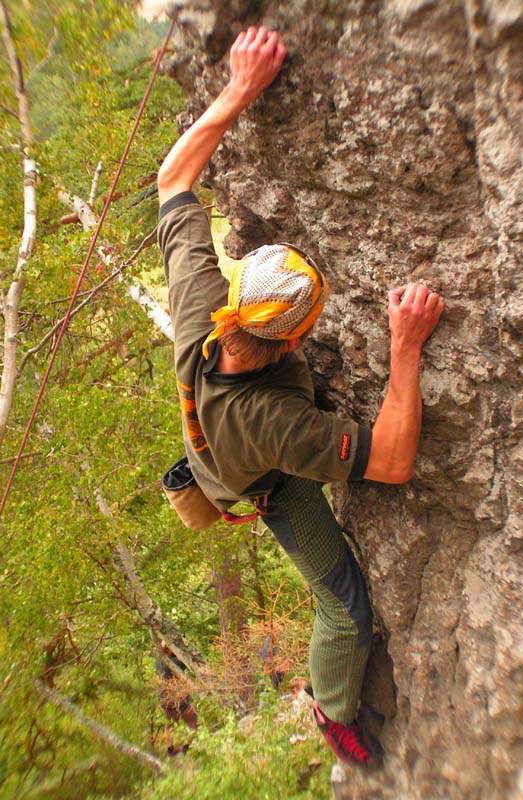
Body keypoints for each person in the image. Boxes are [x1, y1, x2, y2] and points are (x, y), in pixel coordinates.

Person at [156, 25, 444, 767]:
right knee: (343, 608)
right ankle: (333, 711)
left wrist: (240, 89)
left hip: (221, 437)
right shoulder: (277, 425)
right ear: (289, 343)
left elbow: (173, 182)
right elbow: (388, 462)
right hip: (266, 480)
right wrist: (405, 348)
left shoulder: (200, 309)